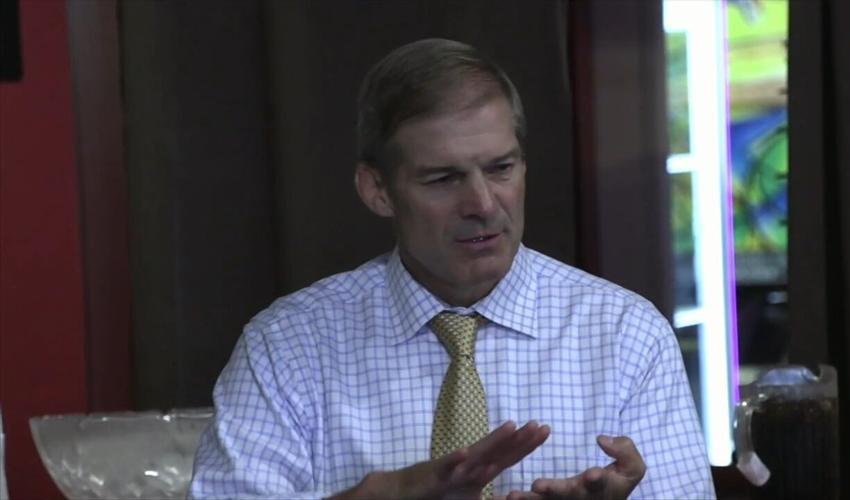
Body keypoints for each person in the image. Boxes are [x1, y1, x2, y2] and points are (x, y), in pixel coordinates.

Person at [189, 38, 715, 499]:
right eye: (443, 179)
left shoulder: (626, 334)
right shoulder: (286, 347)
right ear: (377, 190)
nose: (483, 204)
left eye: (500, 168)